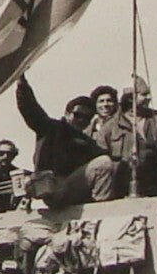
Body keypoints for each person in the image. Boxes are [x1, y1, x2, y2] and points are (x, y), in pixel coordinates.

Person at [15, 76, 119, 207]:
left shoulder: (87, 142)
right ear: (67, 113)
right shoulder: (50, 128)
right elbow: (30, 109)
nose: (82, 120)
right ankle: (101, 210)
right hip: (51, 188)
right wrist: (22, 84)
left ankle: (99, 207)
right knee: (103, 163)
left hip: (70, 188)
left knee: (110, 164)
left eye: (87, 118)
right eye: (78, 115)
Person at [93, 77, 157, 197]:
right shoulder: (110, 127)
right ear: (131, 97)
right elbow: (101, 161)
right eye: (144, 94)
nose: (149, 98)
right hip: (122, 191)